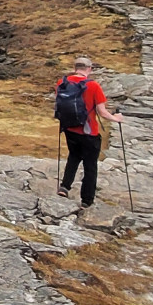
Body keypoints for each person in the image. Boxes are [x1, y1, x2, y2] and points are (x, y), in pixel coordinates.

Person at [55, 56, 123, 209]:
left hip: (70, 129)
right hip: (89, 132)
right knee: (90, 165)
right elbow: (102, 112)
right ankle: (86, 200)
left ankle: (64, 187)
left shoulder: (62, 83)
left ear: (75, 68)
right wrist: (116, 119)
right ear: (89, 69)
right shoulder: (93, 86)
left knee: (74, 156)